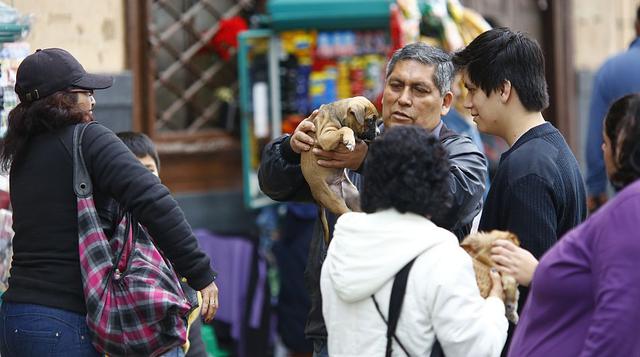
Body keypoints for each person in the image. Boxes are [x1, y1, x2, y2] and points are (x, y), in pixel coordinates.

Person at [259, 42, 487, 356]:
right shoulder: (349, 137)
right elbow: (275, 186)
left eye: (419, 90)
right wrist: (289, 150)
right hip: (339, 324)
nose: (403, 99)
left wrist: (369, 160)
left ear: (446, 102)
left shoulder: (461, 151)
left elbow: (453, 201)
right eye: (396, 85)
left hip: (420, 332)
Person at [0, 48, 219, 356]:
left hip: (15, 320)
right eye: (84, 92)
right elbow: (154, 199)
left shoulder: (21, 153)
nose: (92, 101)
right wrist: (200, 273)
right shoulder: (88, 138)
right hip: (64, 323)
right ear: (59, 99)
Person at [452, 27, 587, 352]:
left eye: (472, 90)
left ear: (503, 89)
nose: (467, 102)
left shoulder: (526, 169)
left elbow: (527, 288)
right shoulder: (551, 148)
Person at [320, 125, 507, 356]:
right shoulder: (441, 256)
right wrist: (496, 304)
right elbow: (477, 350)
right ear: (436, 185)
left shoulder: (340, 248)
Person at [493, 92, 640, 356]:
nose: (602, 150)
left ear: (622, 146)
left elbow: (618, 324)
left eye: (605, 142)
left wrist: (539, 273)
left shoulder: (630, 209)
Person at [116, 131, 208, 357]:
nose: (143, 179)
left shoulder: (168, 227)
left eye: (149, 170)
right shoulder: (110, 230)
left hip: (172, 335)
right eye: (133, 170)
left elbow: (187, 296)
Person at [584, 5, 640, 213]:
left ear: (636, 26)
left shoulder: (611, 70)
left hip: (626, 198)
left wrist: (596, 188)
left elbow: (596, 137)